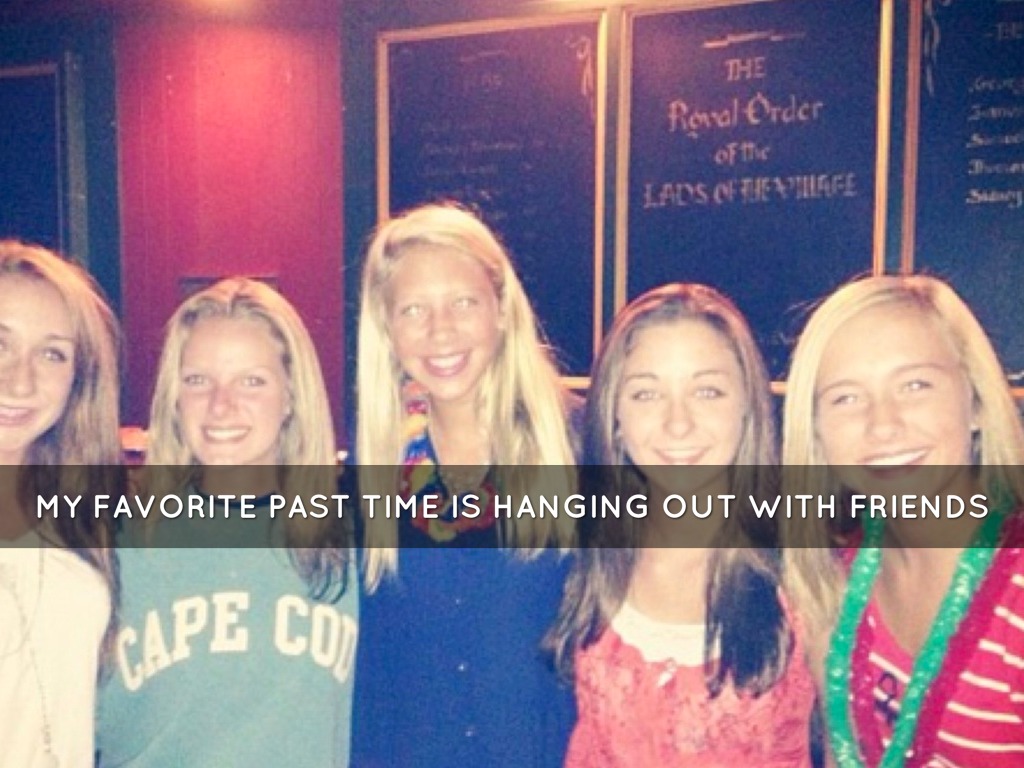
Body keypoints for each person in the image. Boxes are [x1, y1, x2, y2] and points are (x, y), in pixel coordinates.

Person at [547, 282, 816, 766]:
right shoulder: (580, 555)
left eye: (707, 391)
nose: (678, 423)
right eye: (646, 393)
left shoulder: (805, 575)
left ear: (747, 407)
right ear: (614, 416)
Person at [96, 278, 357, 767]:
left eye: (251, 381)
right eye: (198, 380)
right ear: (174, 398)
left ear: (292, 396)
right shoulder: (113, 540)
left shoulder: (353, 541)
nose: (221, 405)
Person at [352, 203, 577, 767]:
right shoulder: (376, 463)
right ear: (386, 329)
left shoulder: (576, 446)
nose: (440, 331)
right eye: (413, 310)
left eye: (463, 302)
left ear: (501, 310)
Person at [782, 274, 1024, 767]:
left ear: (976, 403)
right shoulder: (834, 581)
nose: (883, 425)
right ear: (817, 433)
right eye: (846, 397)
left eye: (915, 385)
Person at [0, 240, 121, 767]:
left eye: (52, 354)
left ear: (79, 378)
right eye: (0, 343)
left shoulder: (83, 513)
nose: (20, 380)